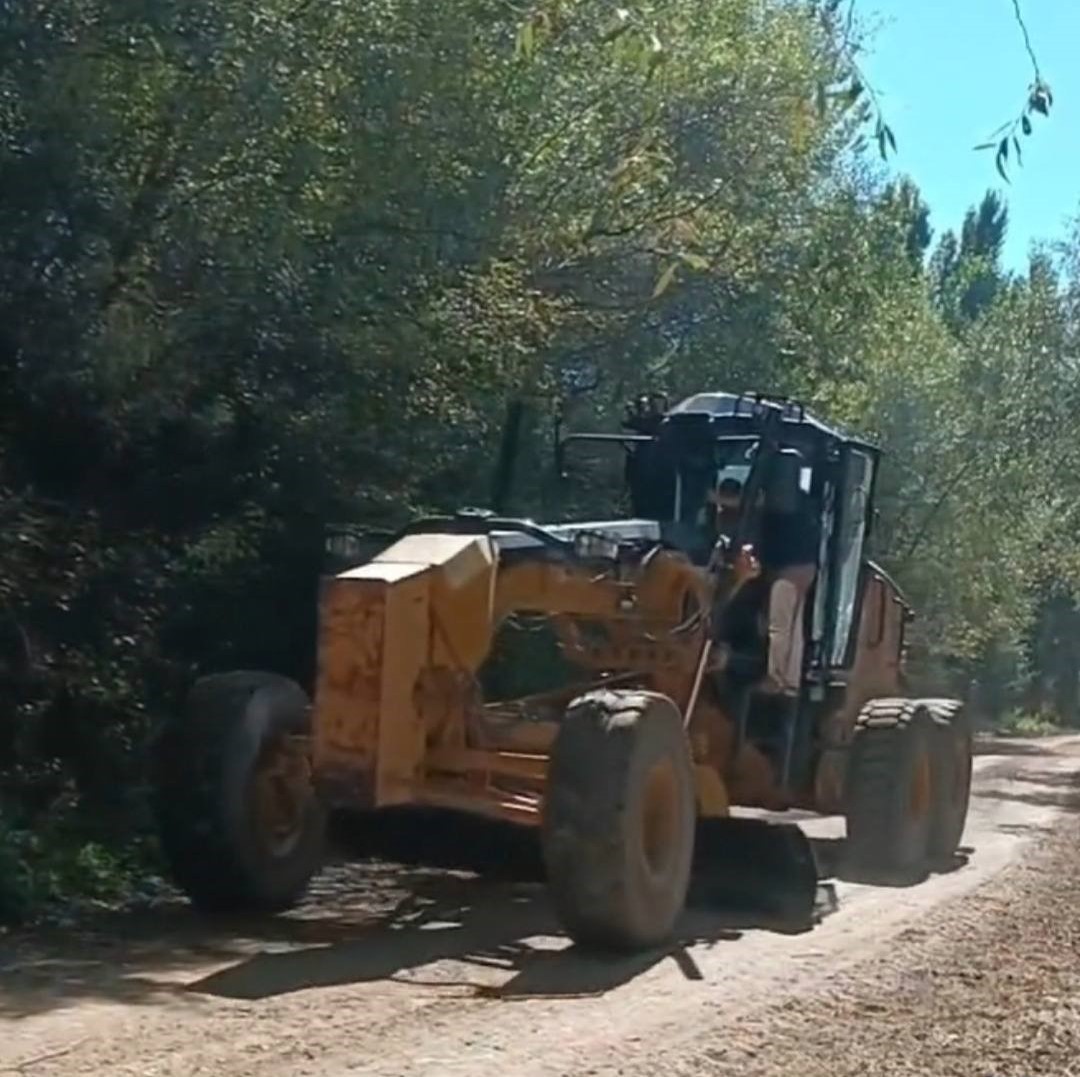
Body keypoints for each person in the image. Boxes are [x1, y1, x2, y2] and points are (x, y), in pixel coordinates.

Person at [758, 480, 820, 696]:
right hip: (805, 567)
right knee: (794, 626)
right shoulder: (802, 500)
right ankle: (791, 681)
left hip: (789, 570)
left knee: (779, 626)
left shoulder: (778, 503)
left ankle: (775, 678)